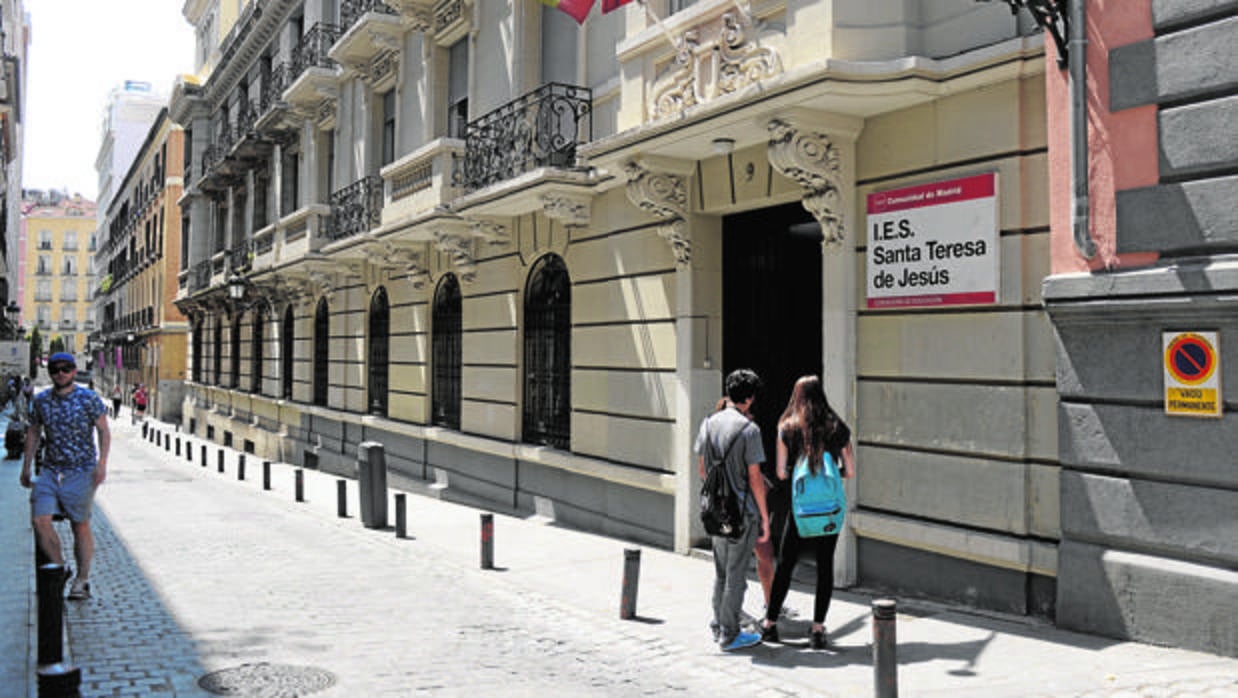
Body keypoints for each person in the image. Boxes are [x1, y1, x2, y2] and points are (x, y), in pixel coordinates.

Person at [760, 374, 855, 649]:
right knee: (825, 567)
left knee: (786, 565)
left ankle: (770, 625)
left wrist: (798, 475)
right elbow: (849, 470)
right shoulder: (837, 427)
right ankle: (817, 629)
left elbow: (779, 472)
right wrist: (829, 476)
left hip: (799, 510)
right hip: (829, 512)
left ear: (797, 397)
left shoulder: (786, 426)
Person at [19, 352, 110, 601]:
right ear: (50, 373)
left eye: (66, 369)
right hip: (50, 469)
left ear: (73, 370)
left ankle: (81, 580)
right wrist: (26, 466)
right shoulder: (41, 401)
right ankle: (61, 568)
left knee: (79, 525)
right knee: (40, 520)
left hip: (81, 470)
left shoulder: (89, 398)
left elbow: (103, 430)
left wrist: (101, 463)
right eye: (56, 369)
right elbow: (34, 432)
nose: (61, 373)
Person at [697, 369, 770, 651]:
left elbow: (703, 468)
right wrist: (763, 515)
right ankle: (730, 633)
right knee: (736, 572)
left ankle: (718, 624)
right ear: (749, 399)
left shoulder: (708, 423)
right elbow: (755, 478)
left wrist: (718, 495)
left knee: (721, 571)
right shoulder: (749, 430)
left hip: (716, 509)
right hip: (742, 511)